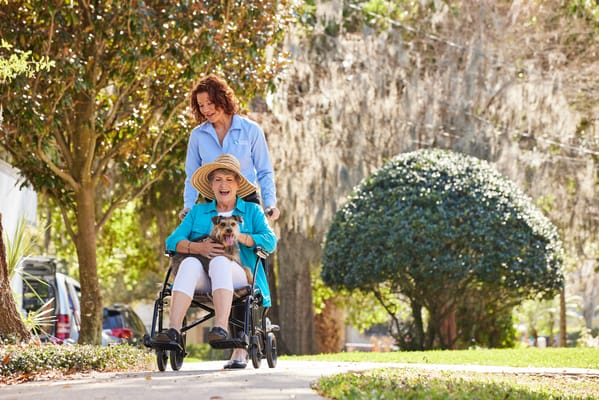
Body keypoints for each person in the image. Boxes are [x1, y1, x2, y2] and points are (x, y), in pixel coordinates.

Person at [164, 153, 277, 369]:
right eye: (217, 179)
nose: (223, 184)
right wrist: (198, 247)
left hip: (239, 277)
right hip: (204, 279)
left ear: (237, 184)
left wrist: (240, 236)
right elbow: (172, 241)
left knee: (219, 262)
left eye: (228, 179)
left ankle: (221, 328)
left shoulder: (252, 211)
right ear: (211, 185)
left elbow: (270, 241)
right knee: (188, 263)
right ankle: (173, 331)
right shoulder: (198, 212)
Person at [180, 74, 280, 221]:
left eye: (209, 103)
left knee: (255, 243)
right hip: (213, 205)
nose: (206, 109)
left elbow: (264, 171)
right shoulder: (198, 135)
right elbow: (192, 175)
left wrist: (270, 204)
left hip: (247, 203)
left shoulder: (250, 130)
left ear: (222, 99)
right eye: (201, 105)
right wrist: (188, 206)